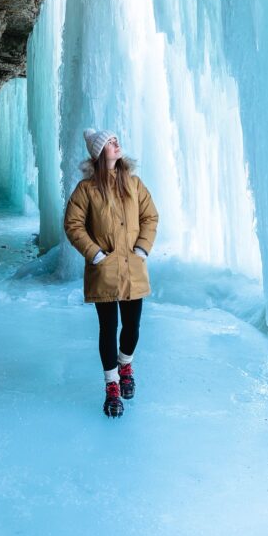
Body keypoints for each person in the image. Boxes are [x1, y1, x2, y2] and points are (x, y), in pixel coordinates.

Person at [62, 127, 159, 418]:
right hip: (104, 272)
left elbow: (150, 216)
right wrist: (95, 254)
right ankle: (112, 386)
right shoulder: (86, 190)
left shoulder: (134, 184)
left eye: (116, 140)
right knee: (108, 329)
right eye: (109, 142)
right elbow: (73, 224)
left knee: (132, 328)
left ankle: (125, 364)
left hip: (133, 269)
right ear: (99, 152)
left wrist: (142, 248)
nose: (116, 144)